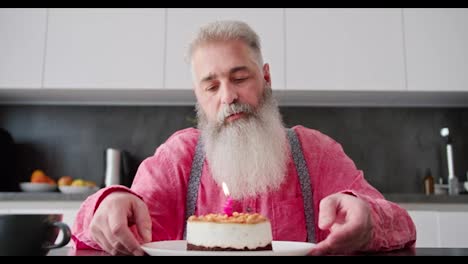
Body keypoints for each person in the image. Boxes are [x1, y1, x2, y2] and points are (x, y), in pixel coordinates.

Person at [71, 20, 416, 256]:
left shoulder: (316, 152)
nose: (228, 96)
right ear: (198, 94)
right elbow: (104, 225)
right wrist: (108, 205)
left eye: (240, 78)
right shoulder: (179, 157)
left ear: (265, 77)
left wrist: (369, 219)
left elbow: (400, 222)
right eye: (211, 85)